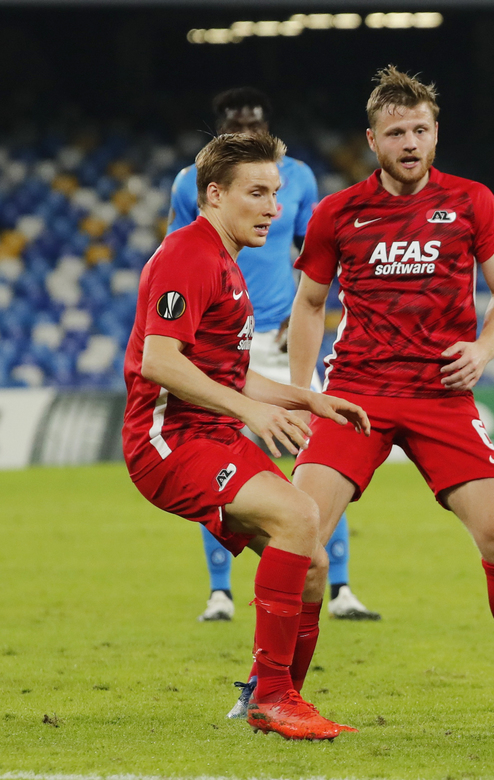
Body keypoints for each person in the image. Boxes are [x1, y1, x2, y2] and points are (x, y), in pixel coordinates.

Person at [286, 66, 494, 704]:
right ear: (372, 140)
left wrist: (483, 349)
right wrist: (303, 393)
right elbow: (309, 304)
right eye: (396, 132)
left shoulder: (472, 201)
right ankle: (275, 689)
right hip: (357, 393)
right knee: (300, 536)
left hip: (442, 395)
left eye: (420, 130)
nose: (410, 143)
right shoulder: (337, 212)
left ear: (435, 134)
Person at [123, 133, 368, 739]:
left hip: (211, 433)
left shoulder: (223, 259)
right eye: (257, 193)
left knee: (311, 560)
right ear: (214, 194)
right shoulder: (188, 254)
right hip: (168, 441)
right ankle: (273, 699)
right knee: (299, 516)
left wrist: (306, 397)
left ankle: (272, 697)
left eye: (276, 194)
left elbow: (227, 371)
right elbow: (160, 360)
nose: (274, 209)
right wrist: (250, 413)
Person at [169, 87, 380, 623]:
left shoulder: (299, 177)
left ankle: (339, 587)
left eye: (256, 123)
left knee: (319, 459)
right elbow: (180, 253)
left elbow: (315, 255)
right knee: (219, 459)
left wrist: (301, 317)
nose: (247, 131)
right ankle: (221, 592)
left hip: (282, 337)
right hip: (222, 343)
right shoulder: (188, 186)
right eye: (236, 124)